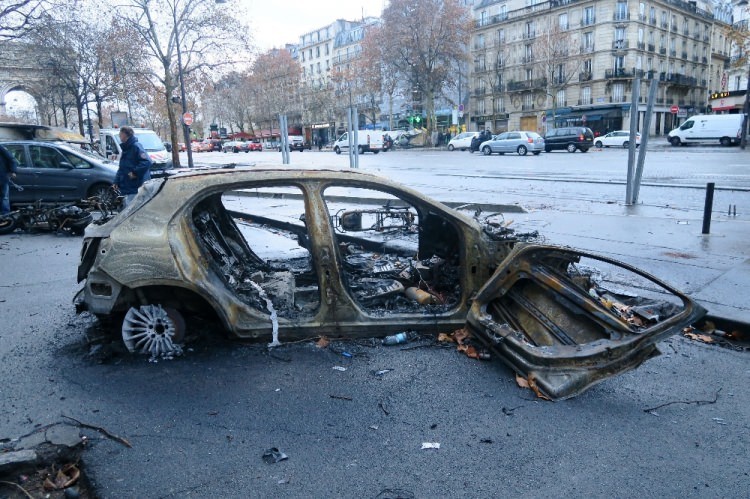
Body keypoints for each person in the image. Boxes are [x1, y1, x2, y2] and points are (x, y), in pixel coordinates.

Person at [113, 126, 152, 207]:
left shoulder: (135, 146)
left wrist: (135, 173)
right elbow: (122, 167)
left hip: (135, 186)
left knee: (132, 209)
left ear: (125, 134)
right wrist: (116, 181)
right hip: (128, 186)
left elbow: (147, 162)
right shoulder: (126, 148)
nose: (119, 135)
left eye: (120, 133)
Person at [0, 143, 19, 215]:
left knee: (4, 197)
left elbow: (11, 159)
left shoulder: (1, 148)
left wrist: (13, 171)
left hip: (2, 177)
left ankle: (5, 215)